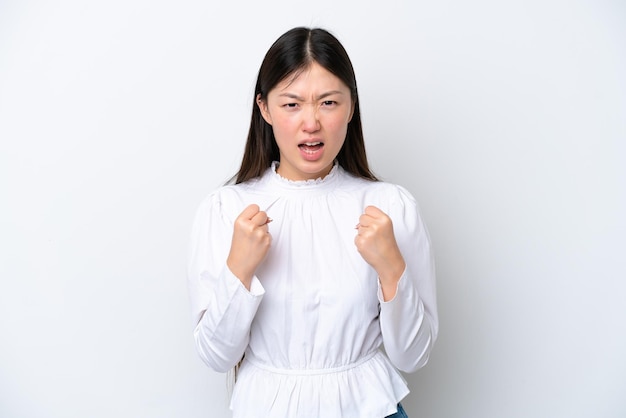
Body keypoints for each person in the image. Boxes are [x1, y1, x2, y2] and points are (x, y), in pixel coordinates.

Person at [187, 27, 438, 418]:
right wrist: (239, 270)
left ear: (351, 107)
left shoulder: (391, 206)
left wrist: (392, 269)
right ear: (265, 108)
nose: (311, 123)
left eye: (328, 102)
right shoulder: (225, 210)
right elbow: (217, 357)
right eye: (291, 104)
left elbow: (413, 355)